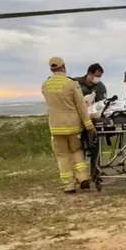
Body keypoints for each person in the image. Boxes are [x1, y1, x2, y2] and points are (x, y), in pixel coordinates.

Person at [42, 57, 97, 194]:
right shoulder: (72, 84)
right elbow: (81, 106)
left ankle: (69, 185)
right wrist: (89, 125)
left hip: (55, 126)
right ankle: (83, 177)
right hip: (73, 125)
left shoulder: (45, 85)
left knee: (62, 156)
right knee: (76, 151)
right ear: (64, 66)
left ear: (51, 69)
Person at [74, 63, 107, 181]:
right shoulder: (76, 83)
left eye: (100, 76)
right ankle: (81, 176)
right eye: (96, 75)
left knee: (95, 148)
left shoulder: (100, 87)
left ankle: (95, 173)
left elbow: (102, 104)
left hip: (93, 121)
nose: (98, 79)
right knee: (78, 149)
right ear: (89, 73)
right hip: (78, 121)